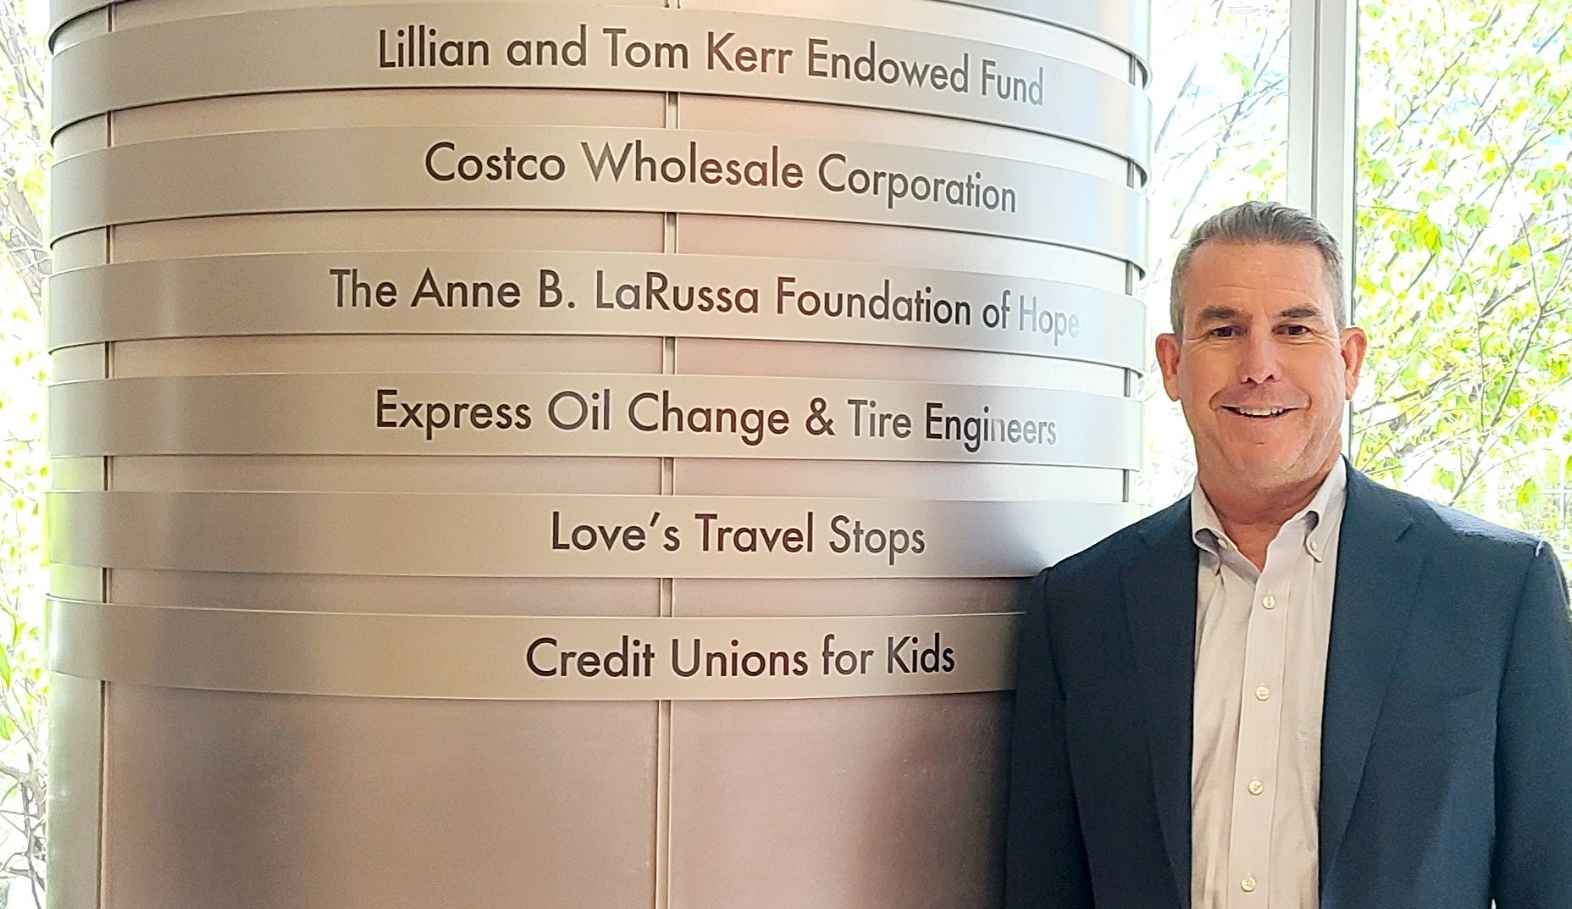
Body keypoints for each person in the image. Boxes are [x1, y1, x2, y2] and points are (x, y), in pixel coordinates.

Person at [1005, 201, 1572, 909]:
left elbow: (1551, 879)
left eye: (1295, 328)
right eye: (1224, 329)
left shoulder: (1498, 593)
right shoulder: (1078, 609)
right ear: (1173, 364)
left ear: (1349, 359)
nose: (1258, 365)